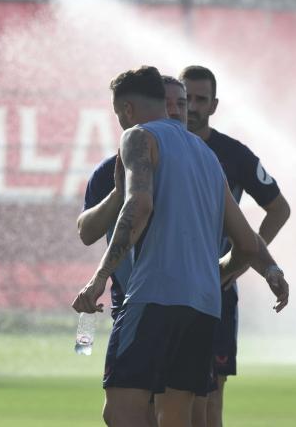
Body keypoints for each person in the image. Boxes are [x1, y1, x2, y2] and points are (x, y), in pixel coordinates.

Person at [72, 65, 289, 427]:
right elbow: (248, 242)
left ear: (125, 110)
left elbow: (139, 206)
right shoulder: (206, 155)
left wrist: (98, 279)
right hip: (204, 306)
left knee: (122, 411)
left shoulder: (139, 138)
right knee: (179, 416)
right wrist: (246, 271)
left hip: (153, 296)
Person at [76, 75, 195, 426]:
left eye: (181, 105)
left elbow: (142, 207)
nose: (174, 113)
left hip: (161, 302)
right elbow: (86, 231)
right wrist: (117, 195)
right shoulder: (111, 168)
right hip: (152, 305)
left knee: (140, 412)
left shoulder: (195, 164)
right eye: (168, 104)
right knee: (153, 412)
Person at [179, 65, 291, 427]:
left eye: (200, 99)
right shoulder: (156, 146)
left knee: (211, 398)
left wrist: (241, 263)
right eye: (186, 99)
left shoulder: (233, 154)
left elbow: (279, 209)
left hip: (216, 287)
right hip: (166, 284)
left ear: (214, 105)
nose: (191, 107)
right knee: (164, 394)